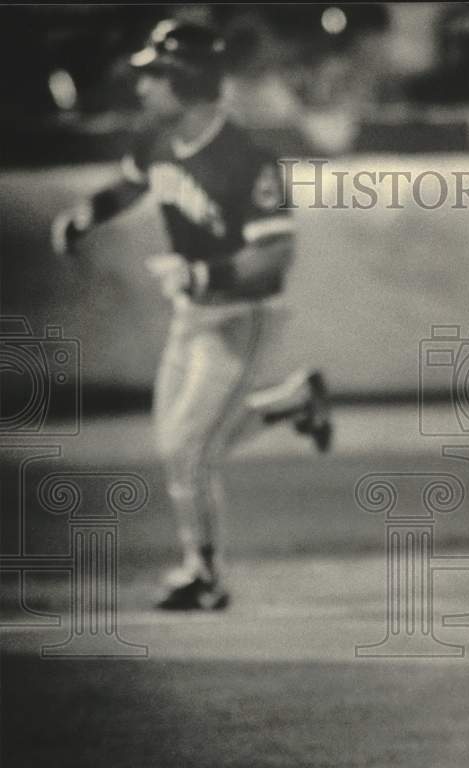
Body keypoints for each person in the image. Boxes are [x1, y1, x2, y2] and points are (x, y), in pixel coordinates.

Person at [51, 19, 331, 611]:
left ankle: (204, 574)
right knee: (187, 442)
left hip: (241, 316)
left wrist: (203, 274)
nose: (144, 85)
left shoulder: (247, 159)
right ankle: (294, 402)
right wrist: (85, 216)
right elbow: (130, 187)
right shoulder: (158, 140)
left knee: (187, 447)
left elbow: (276, 257)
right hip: (192, 316)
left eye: (156, 74)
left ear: (188, 78)